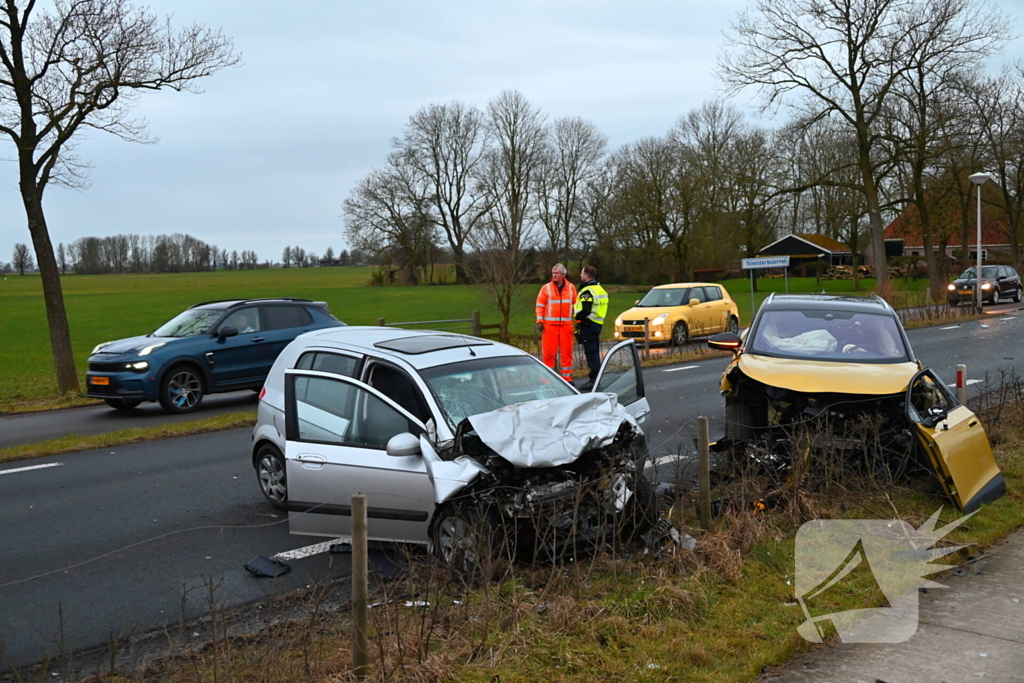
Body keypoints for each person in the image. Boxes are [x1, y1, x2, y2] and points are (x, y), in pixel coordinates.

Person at [535, 263, 577, 384]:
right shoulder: (546, 288)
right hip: (549, 326)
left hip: (566, 325)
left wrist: (578, 320)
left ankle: (567, 378)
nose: (554, 275)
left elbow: (576, 306)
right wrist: (539, 320)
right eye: (553, 273)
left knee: (567, 353)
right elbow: (539, 305)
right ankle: (548, 379)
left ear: (563, 274)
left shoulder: (571, 288)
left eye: (557, 273)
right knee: (548, 353)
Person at [574, 265, 608, 390]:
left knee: (591, 353)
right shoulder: (599, 289)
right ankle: (596, 378)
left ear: (586, 275)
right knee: (594, 351)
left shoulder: (587, 291)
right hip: (597, 323)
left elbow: (586, 309)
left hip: (588, 324)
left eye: (582, 273)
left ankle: (594, 380)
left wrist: (577, 317)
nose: (580, 275)